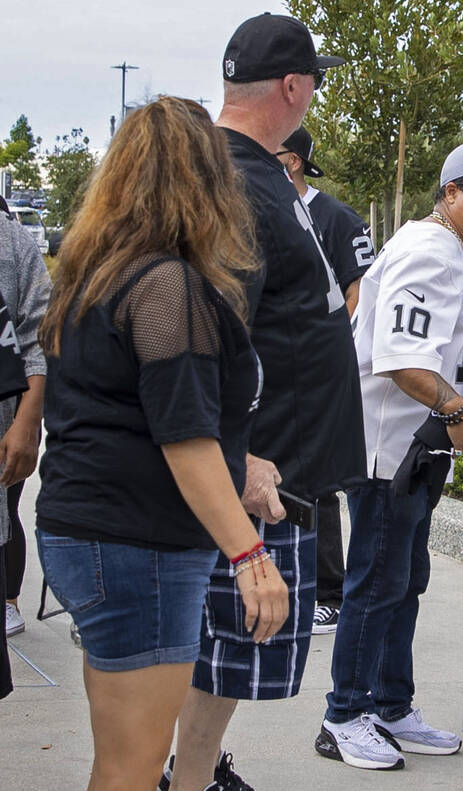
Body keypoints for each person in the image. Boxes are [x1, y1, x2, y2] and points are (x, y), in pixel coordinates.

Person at [33, 96, 289, 791]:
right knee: (135, 764)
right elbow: (185, 438)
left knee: (121, 755)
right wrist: (250, 554)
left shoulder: (95, 274)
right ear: (204, 182)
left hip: (89, 528)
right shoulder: (165, 285)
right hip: (136, 541)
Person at [163, 15, 366, 791]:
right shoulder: (235, 180)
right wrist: (236, 456)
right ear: (292, 87)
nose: (315, 91)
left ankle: (197, 769)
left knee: (228, 657)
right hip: (253, 473)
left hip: (273, 466)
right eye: (313, 78)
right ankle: (182, 777)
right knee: (219, 644)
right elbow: (207, 333)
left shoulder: (249, 172)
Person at [314, 142, 463, 770]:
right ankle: (343, 715)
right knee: (377, 583)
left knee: (403, 582)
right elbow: (404, 360)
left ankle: (389, 705)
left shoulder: (440, 248)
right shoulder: (430, 252)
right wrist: (462, 415)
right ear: (451, 190)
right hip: (389, 451)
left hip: (413, 446)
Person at [278, 125, 376, 635]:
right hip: (272, 376)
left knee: (318, 482)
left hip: (321, 373)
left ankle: (329, 593)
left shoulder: (336, 218)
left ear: (291, 160)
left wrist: (330, 357)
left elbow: (359, 293)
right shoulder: (261, 207)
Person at [1, 195, 49, 642]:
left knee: (6, 513)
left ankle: (9, 600)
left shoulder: (11, 240)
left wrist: (28, 420)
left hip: (5, 419)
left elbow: (39, 334)